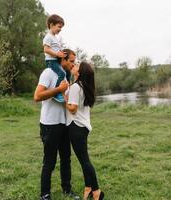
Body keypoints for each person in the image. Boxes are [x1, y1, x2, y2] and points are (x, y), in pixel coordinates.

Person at [34, 49, 80, 200]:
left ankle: (67, 189)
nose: (73, 64)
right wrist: (58, 90)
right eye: (71, 61)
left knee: (66, 158)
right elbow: (37, 96)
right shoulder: (48, 72)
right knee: (50, 161)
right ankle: (45, 194)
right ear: (63, 59)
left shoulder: (66, 76)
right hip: (49, 124)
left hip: (64, 123)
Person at [65, 62, 105, 200]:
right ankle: (88, 187)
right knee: (84, 159)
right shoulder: (83, 86)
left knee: (84, 161)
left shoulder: (76, 87)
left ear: (79, 72)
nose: (73, 66)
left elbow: (73, 109)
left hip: (76, 127)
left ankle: (96, 190)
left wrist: (65, 99)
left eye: (76, 65)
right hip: (83, 126)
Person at [43, 14, 68, 103]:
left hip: (56, 60)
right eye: (59, 27)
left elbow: (56, 49)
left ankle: (65, 91)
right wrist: (57, 54)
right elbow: (46, 49)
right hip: (51, 61)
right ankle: (56, 93)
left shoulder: (55, 38)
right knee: (61, 73)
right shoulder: (48, 36)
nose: (60, 29)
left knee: (65, 72)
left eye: (61, 27)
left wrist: (61, 53)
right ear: (51, 25)